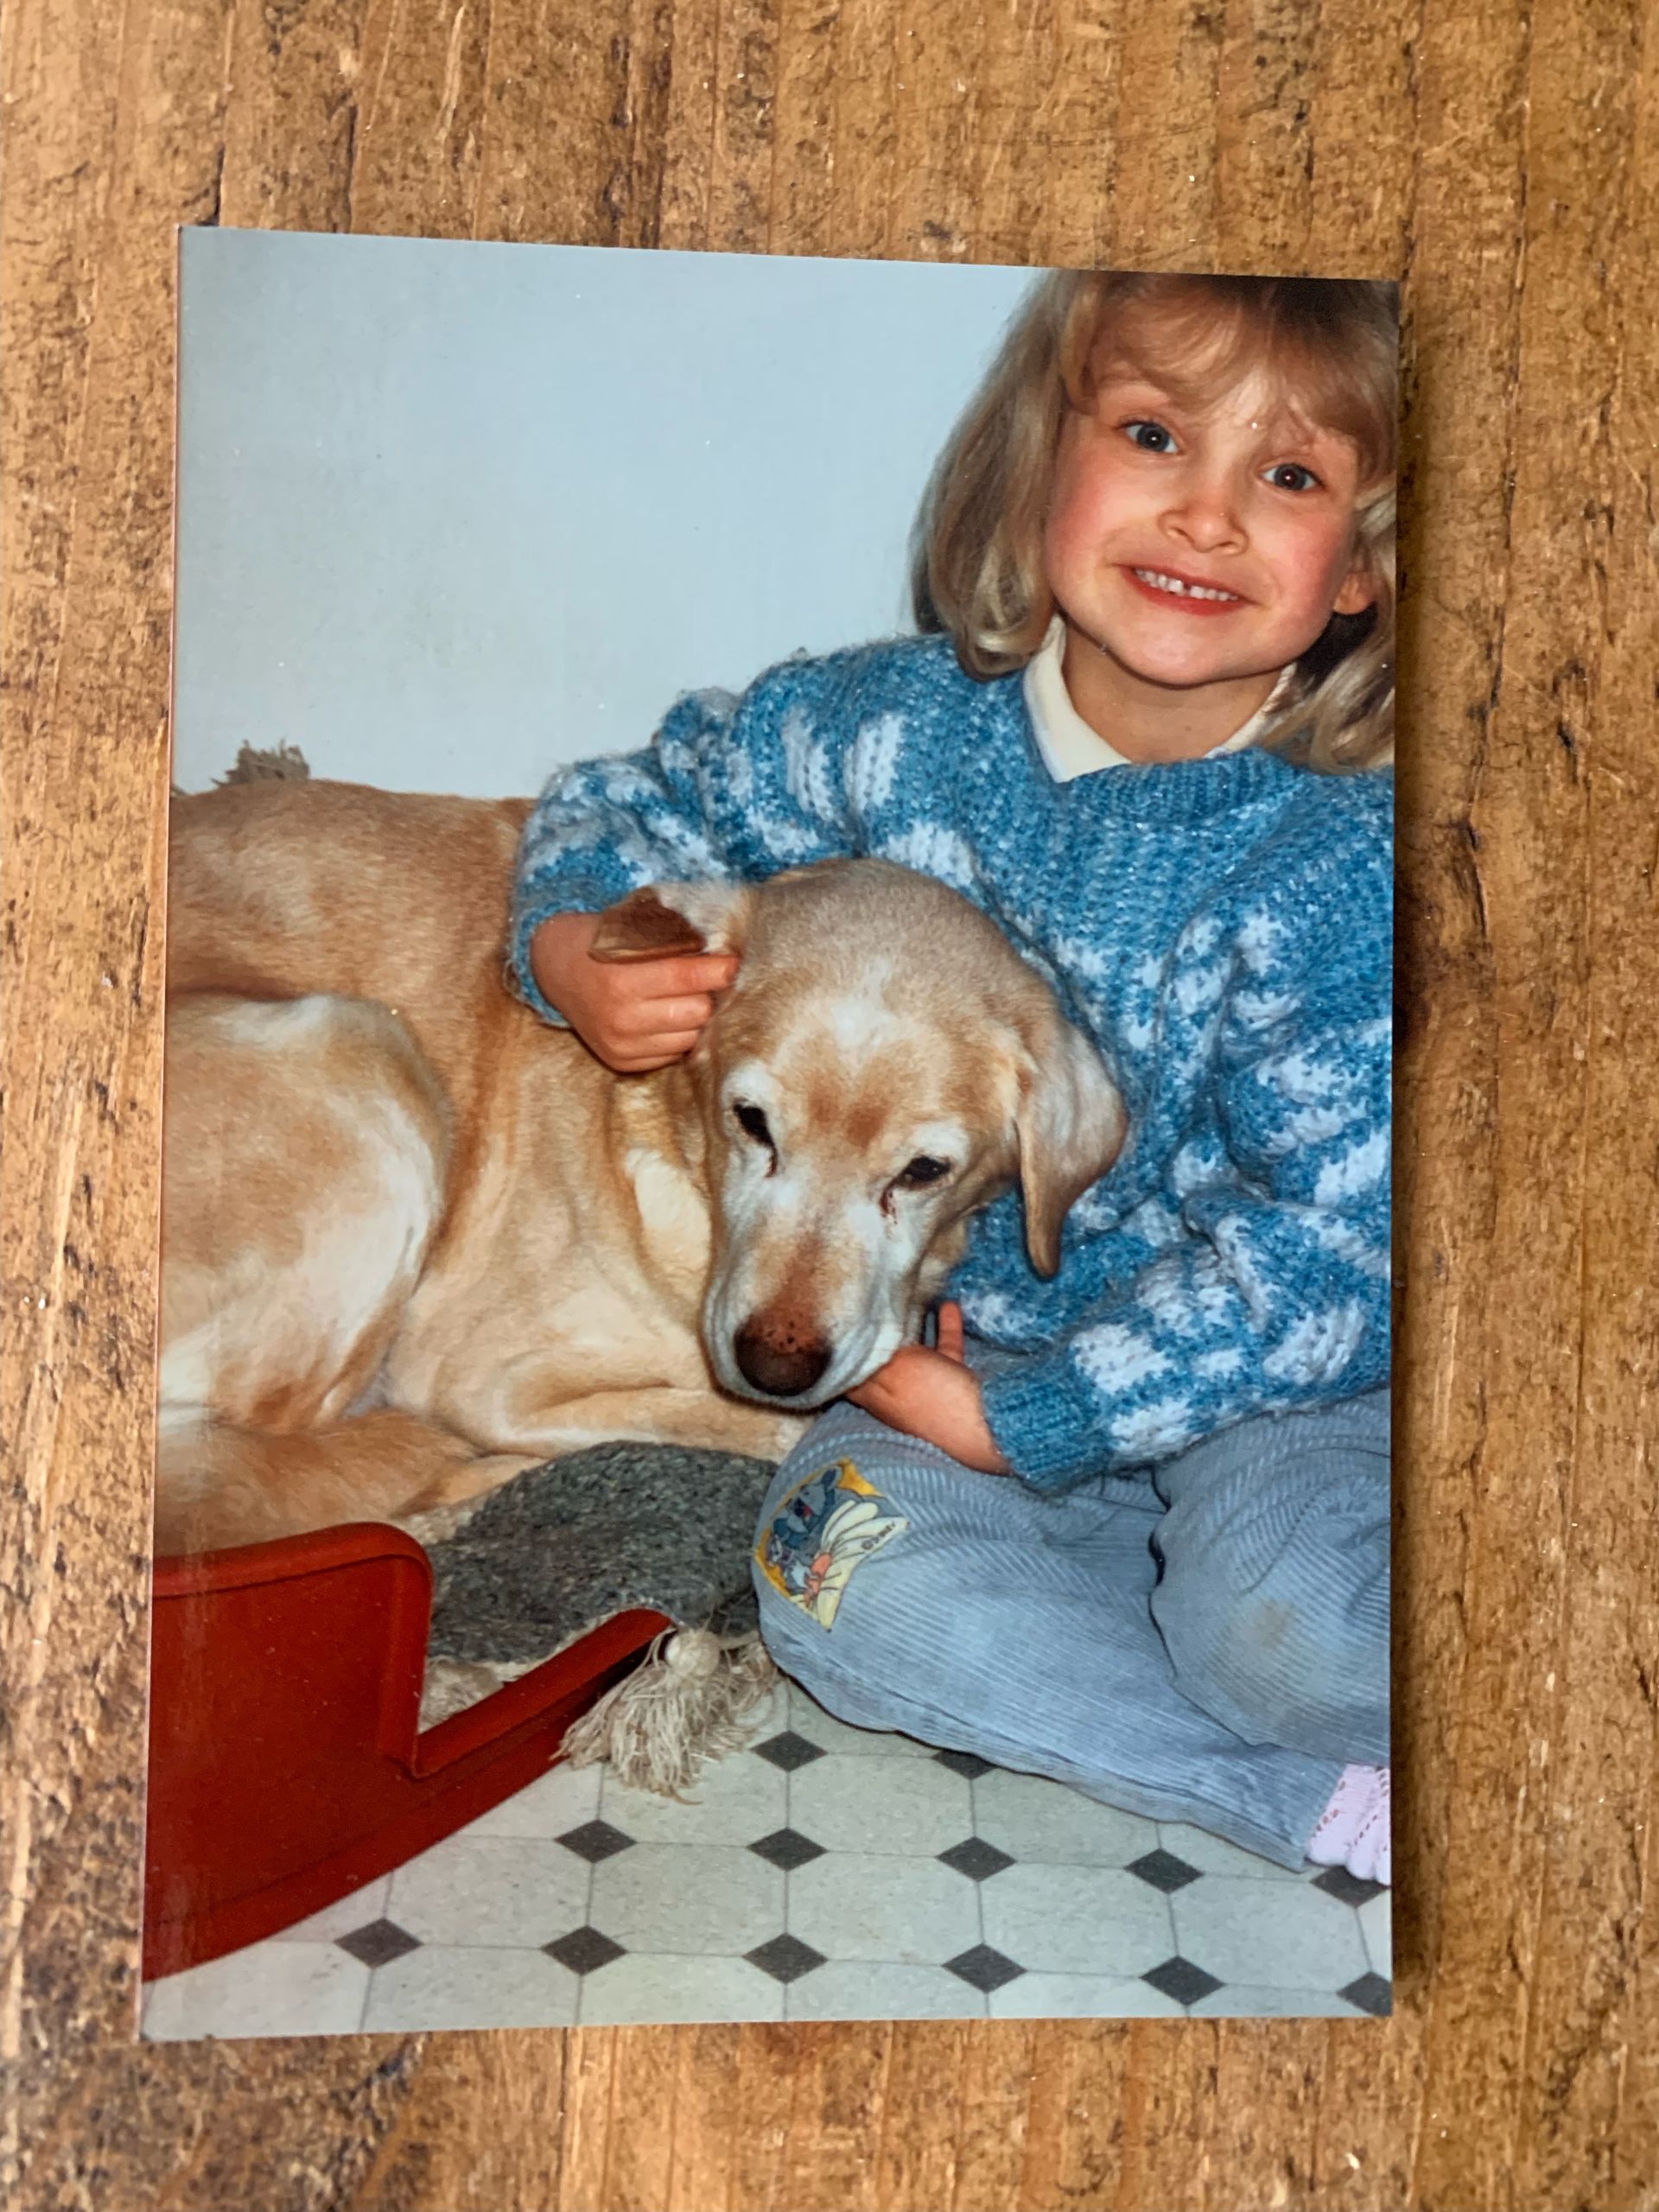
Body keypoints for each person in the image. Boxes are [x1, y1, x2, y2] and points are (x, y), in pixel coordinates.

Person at [509, 270, 1395, 1884]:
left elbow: (1336, 1259)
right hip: (967, 1383)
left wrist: (1039, 1415)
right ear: (1034, 465)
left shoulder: (1333, 869)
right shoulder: (887, 733)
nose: (1204, 518)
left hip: (1273, 1390)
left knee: (1288, 1639)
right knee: (832, 1575)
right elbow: (639, 798)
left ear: (1362, 570)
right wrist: (580, 944)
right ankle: (1322, 1811)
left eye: (1288, 477)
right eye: (1151, 435)